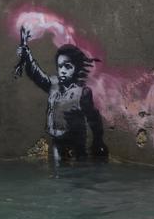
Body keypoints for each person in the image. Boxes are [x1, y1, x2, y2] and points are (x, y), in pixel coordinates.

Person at [16, 27, 108, 162]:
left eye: (68, 66)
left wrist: (98, 141)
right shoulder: (53, 84)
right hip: (57, 142)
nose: (63, 71)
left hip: (76, 145)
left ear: (76, 68)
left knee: (77, 174)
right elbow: (37, 75)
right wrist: (27, 54)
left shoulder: (82, 92)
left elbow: (94, 118)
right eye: (60, 66)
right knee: (58, 172)